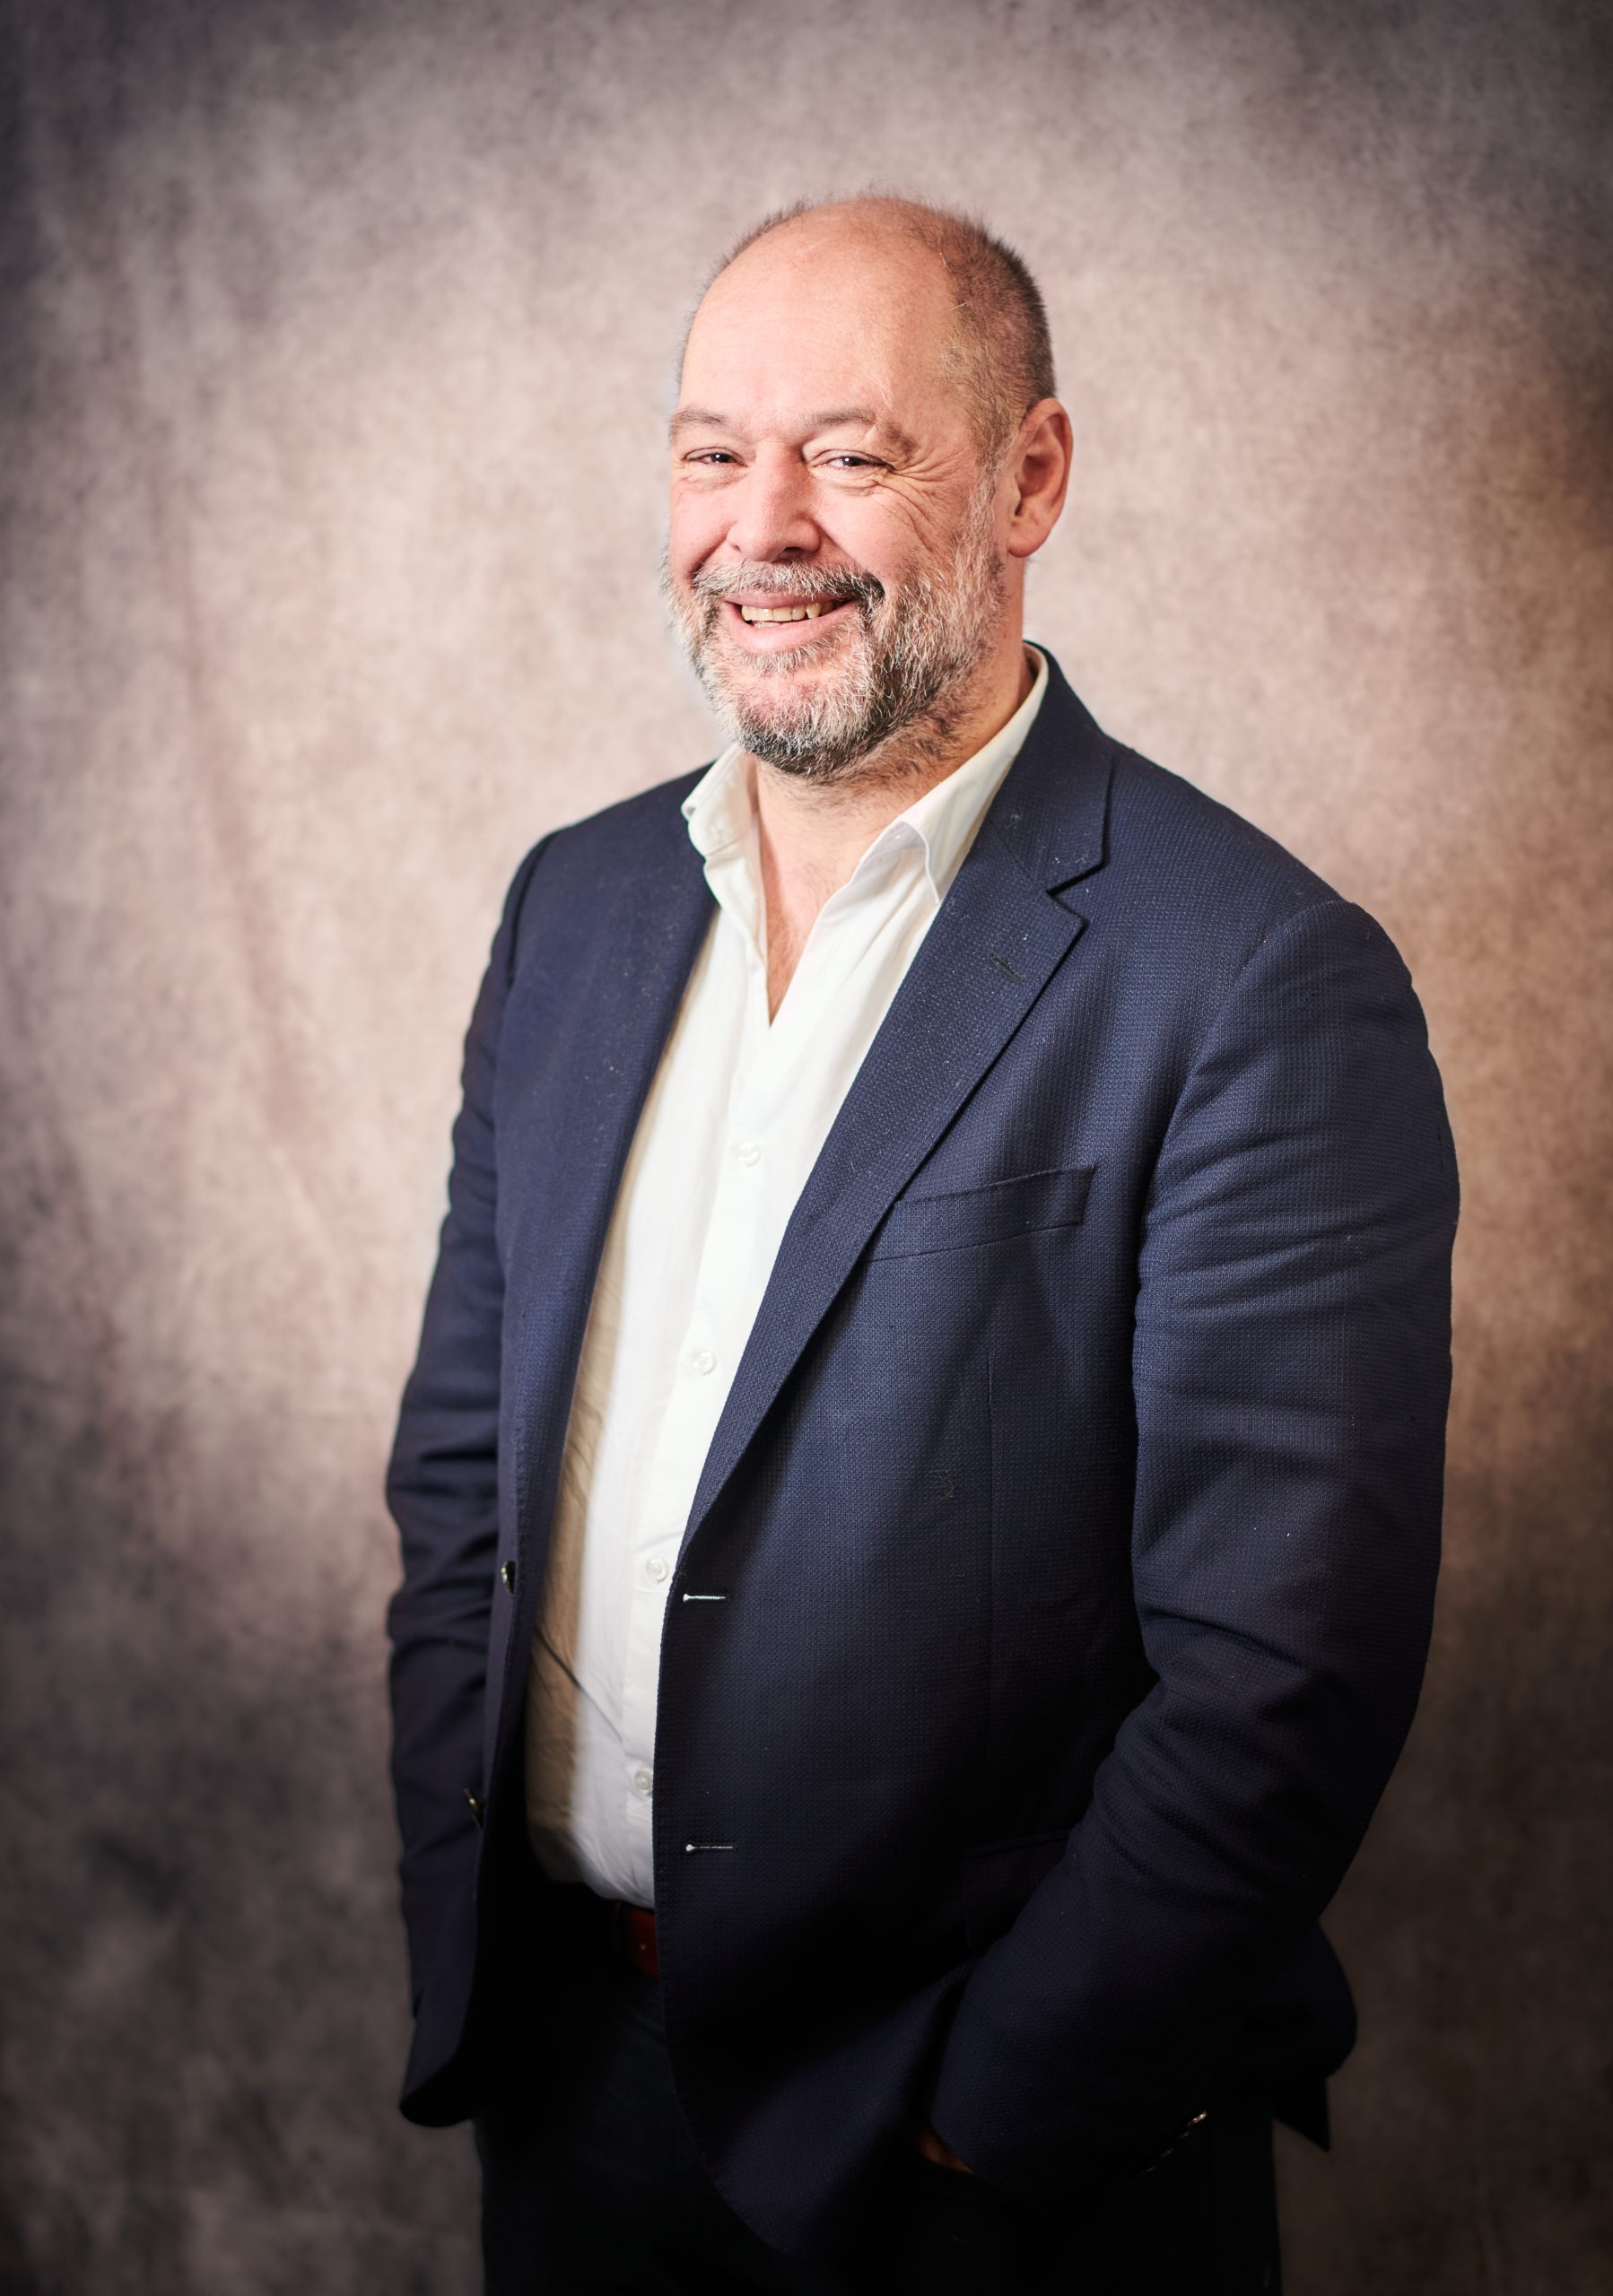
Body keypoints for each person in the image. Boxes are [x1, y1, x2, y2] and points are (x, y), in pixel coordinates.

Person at [384, 196, 1458, 2294]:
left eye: (850, 454)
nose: (759, 527)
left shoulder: (1250, 977)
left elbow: (1282, 1670)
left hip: (977, 2147)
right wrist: (473, 1898)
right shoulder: (571, 907)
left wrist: (995, 2108)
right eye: (711, 452)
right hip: (573, 2083)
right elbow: (460, 1486)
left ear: (1027, 477)